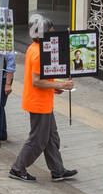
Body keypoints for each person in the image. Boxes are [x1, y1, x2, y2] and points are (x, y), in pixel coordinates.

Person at [9, 15, 77, 183]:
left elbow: (44, 78)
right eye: (51, 32)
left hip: (43, 101)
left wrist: (57, 86)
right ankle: (18, 168)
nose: (54, 35)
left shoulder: (34, 48)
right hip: (38, 103)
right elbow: (37, 81)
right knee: (38, 140)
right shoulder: (38, 53)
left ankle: (57, 170)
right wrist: (60, 86)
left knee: (52, 137)